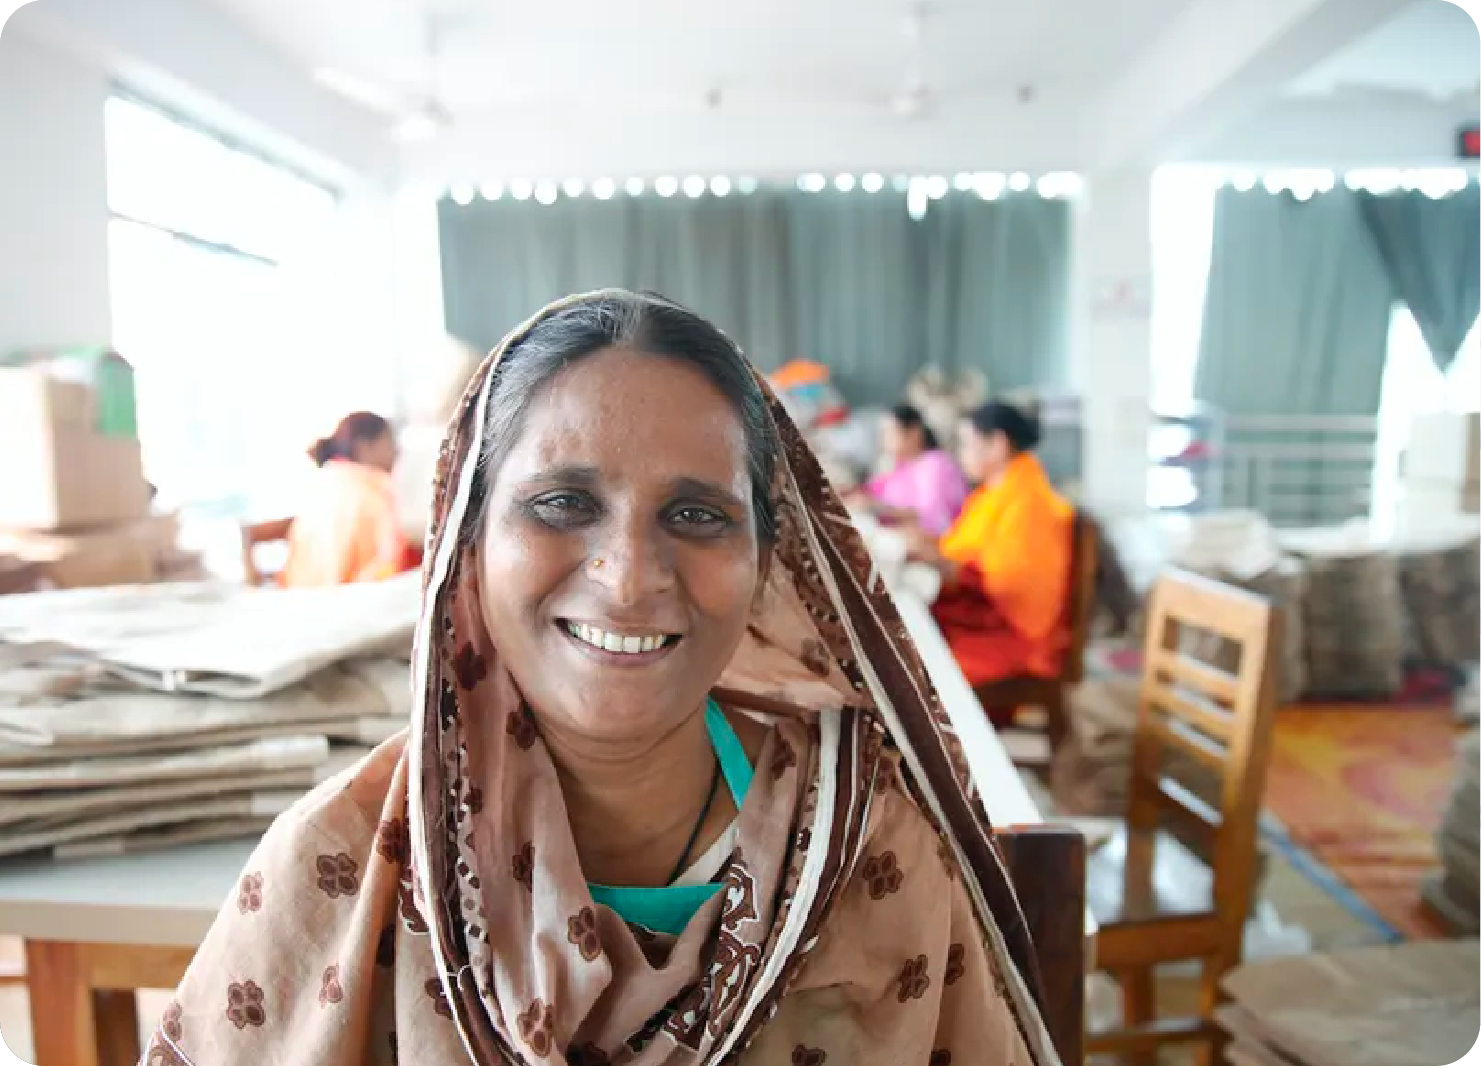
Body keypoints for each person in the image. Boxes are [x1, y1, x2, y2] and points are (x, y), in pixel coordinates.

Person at [144, 292, 1059, 1066]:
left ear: (767, 564)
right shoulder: (344, 867)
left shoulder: (866, 845)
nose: (627, 579)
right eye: (561, 504)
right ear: (467, 542)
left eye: (697, 514)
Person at [908, 401, 1073, 701]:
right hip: (981, 615)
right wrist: (932, 552)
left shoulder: (1028, 502)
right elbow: (962, 549)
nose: (961, 454)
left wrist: (950, 567)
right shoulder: (993, 493)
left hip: (1017, 638)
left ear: (996, 445)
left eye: (966, 444)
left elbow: (1012, 586)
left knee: (911, 663)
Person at [279, 411, 411, 588]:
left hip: (304, 602)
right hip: (354, 603)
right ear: (365, 447)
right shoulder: (375, 487)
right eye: (389, 441)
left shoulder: (320, 483)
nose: (397, 451)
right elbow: (391, 562)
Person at [856, 404, 969, 535]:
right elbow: (873, 491)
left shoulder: (936, 464)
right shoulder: (903, 467)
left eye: (890, 432)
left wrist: (879, 508)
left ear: (914, 432)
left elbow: (933, 516)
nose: (884, 441)